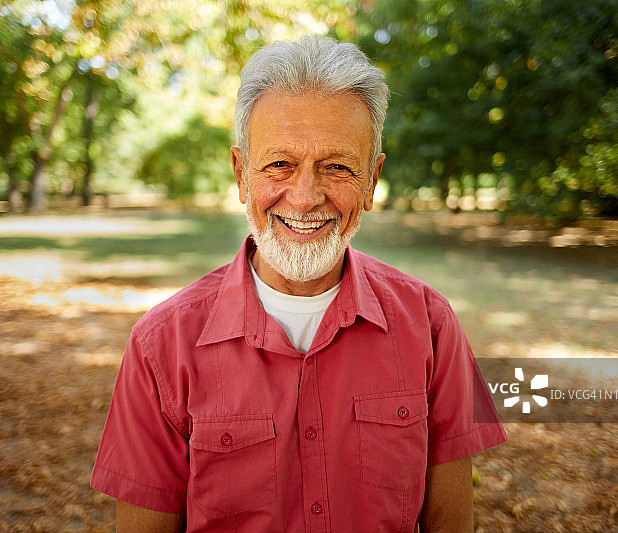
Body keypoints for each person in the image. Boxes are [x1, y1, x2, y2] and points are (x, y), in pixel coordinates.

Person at [91, 35, 507, 532]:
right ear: (242, 174)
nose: (306, 197)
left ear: (372, 181)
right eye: (279, 164)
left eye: (337, 167)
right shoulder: (160, 345)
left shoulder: (433, 325)